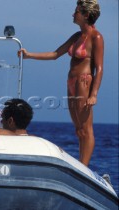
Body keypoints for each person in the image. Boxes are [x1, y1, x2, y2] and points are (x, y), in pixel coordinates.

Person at [17, 0, 103, 166]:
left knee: (86, 129)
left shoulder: (96, 37)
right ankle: (81, 164)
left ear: (85, 15)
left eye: (76, 12)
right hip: (71, 81)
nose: (73, 14)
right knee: (78, 129)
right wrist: (29, 55)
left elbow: (99, 68)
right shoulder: (77, 36)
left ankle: (84, 167)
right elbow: (56, 54)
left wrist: (93, 94)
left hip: (84, 82)